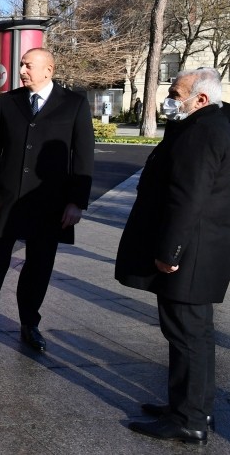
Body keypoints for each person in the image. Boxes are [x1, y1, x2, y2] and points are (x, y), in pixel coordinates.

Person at [116, 67, 230, 445]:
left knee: (187, 335)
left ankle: (189, 420)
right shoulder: (209, 124)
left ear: (200, 98)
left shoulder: (204, 129)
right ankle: (192, 407)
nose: (171, 99)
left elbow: (189, 196)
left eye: (177, 93)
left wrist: (170, 251)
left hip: (191, 253)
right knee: (192, 334)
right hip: (201, 250)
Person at [0, 48, 94, 352]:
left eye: (28, 65)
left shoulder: (73, 104)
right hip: (7, 198)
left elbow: (83, 157)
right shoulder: (9, 102)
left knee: (39, 265)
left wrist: (77, 202)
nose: (22, 69)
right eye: (21, 64)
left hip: (51, 203)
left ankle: (29, 324)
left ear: (48, 69)